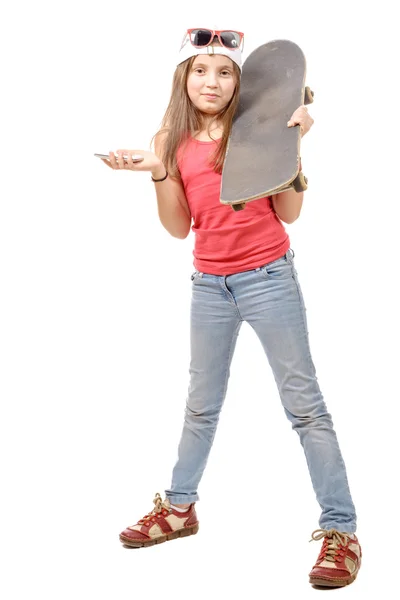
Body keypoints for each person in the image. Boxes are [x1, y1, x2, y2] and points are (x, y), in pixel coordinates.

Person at [100, 28, 361, 588]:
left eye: (224, 71)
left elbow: (289, 214)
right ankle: (179, 508)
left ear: (240, 80)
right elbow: (178, 228)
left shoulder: (259, 128)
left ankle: (341, 531)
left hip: (269, 278)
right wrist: (156, 170)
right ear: (184, 77)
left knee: (304, 406)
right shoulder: (169, 138)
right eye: (200, 69)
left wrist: (292, 147)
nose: (211, 81)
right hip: (209, 286)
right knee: (200, 405)